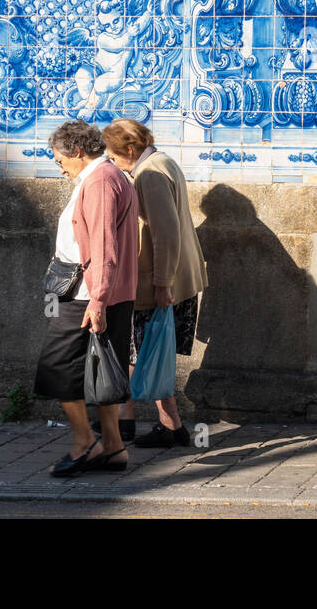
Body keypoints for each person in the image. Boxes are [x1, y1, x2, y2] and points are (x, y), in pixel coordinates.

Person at [33, 121, 140, 476]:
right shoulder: (105, 177)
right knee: (99, 370)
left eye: (59, 158)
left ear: (77, 151)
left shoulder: (100, 181)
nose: (59, 166)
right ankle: (113, 447)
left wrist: (98, 300)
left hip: (88, 295)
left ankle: (85, 442)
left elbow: (104, 246)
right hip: (101, 293)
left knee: (58, 368)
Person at [102, 118, 208, 448]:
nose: (111, 161)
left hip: (162, 282)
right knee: (152, 353)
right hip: (176, 277)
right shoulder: (162, 161)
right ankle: (168, 425)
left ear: (130, 149)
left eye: (114, 155)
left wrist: (162, 283)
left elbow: (165, 232)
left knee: (139, 352)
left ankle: (127, 421)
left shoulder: (149, 174)